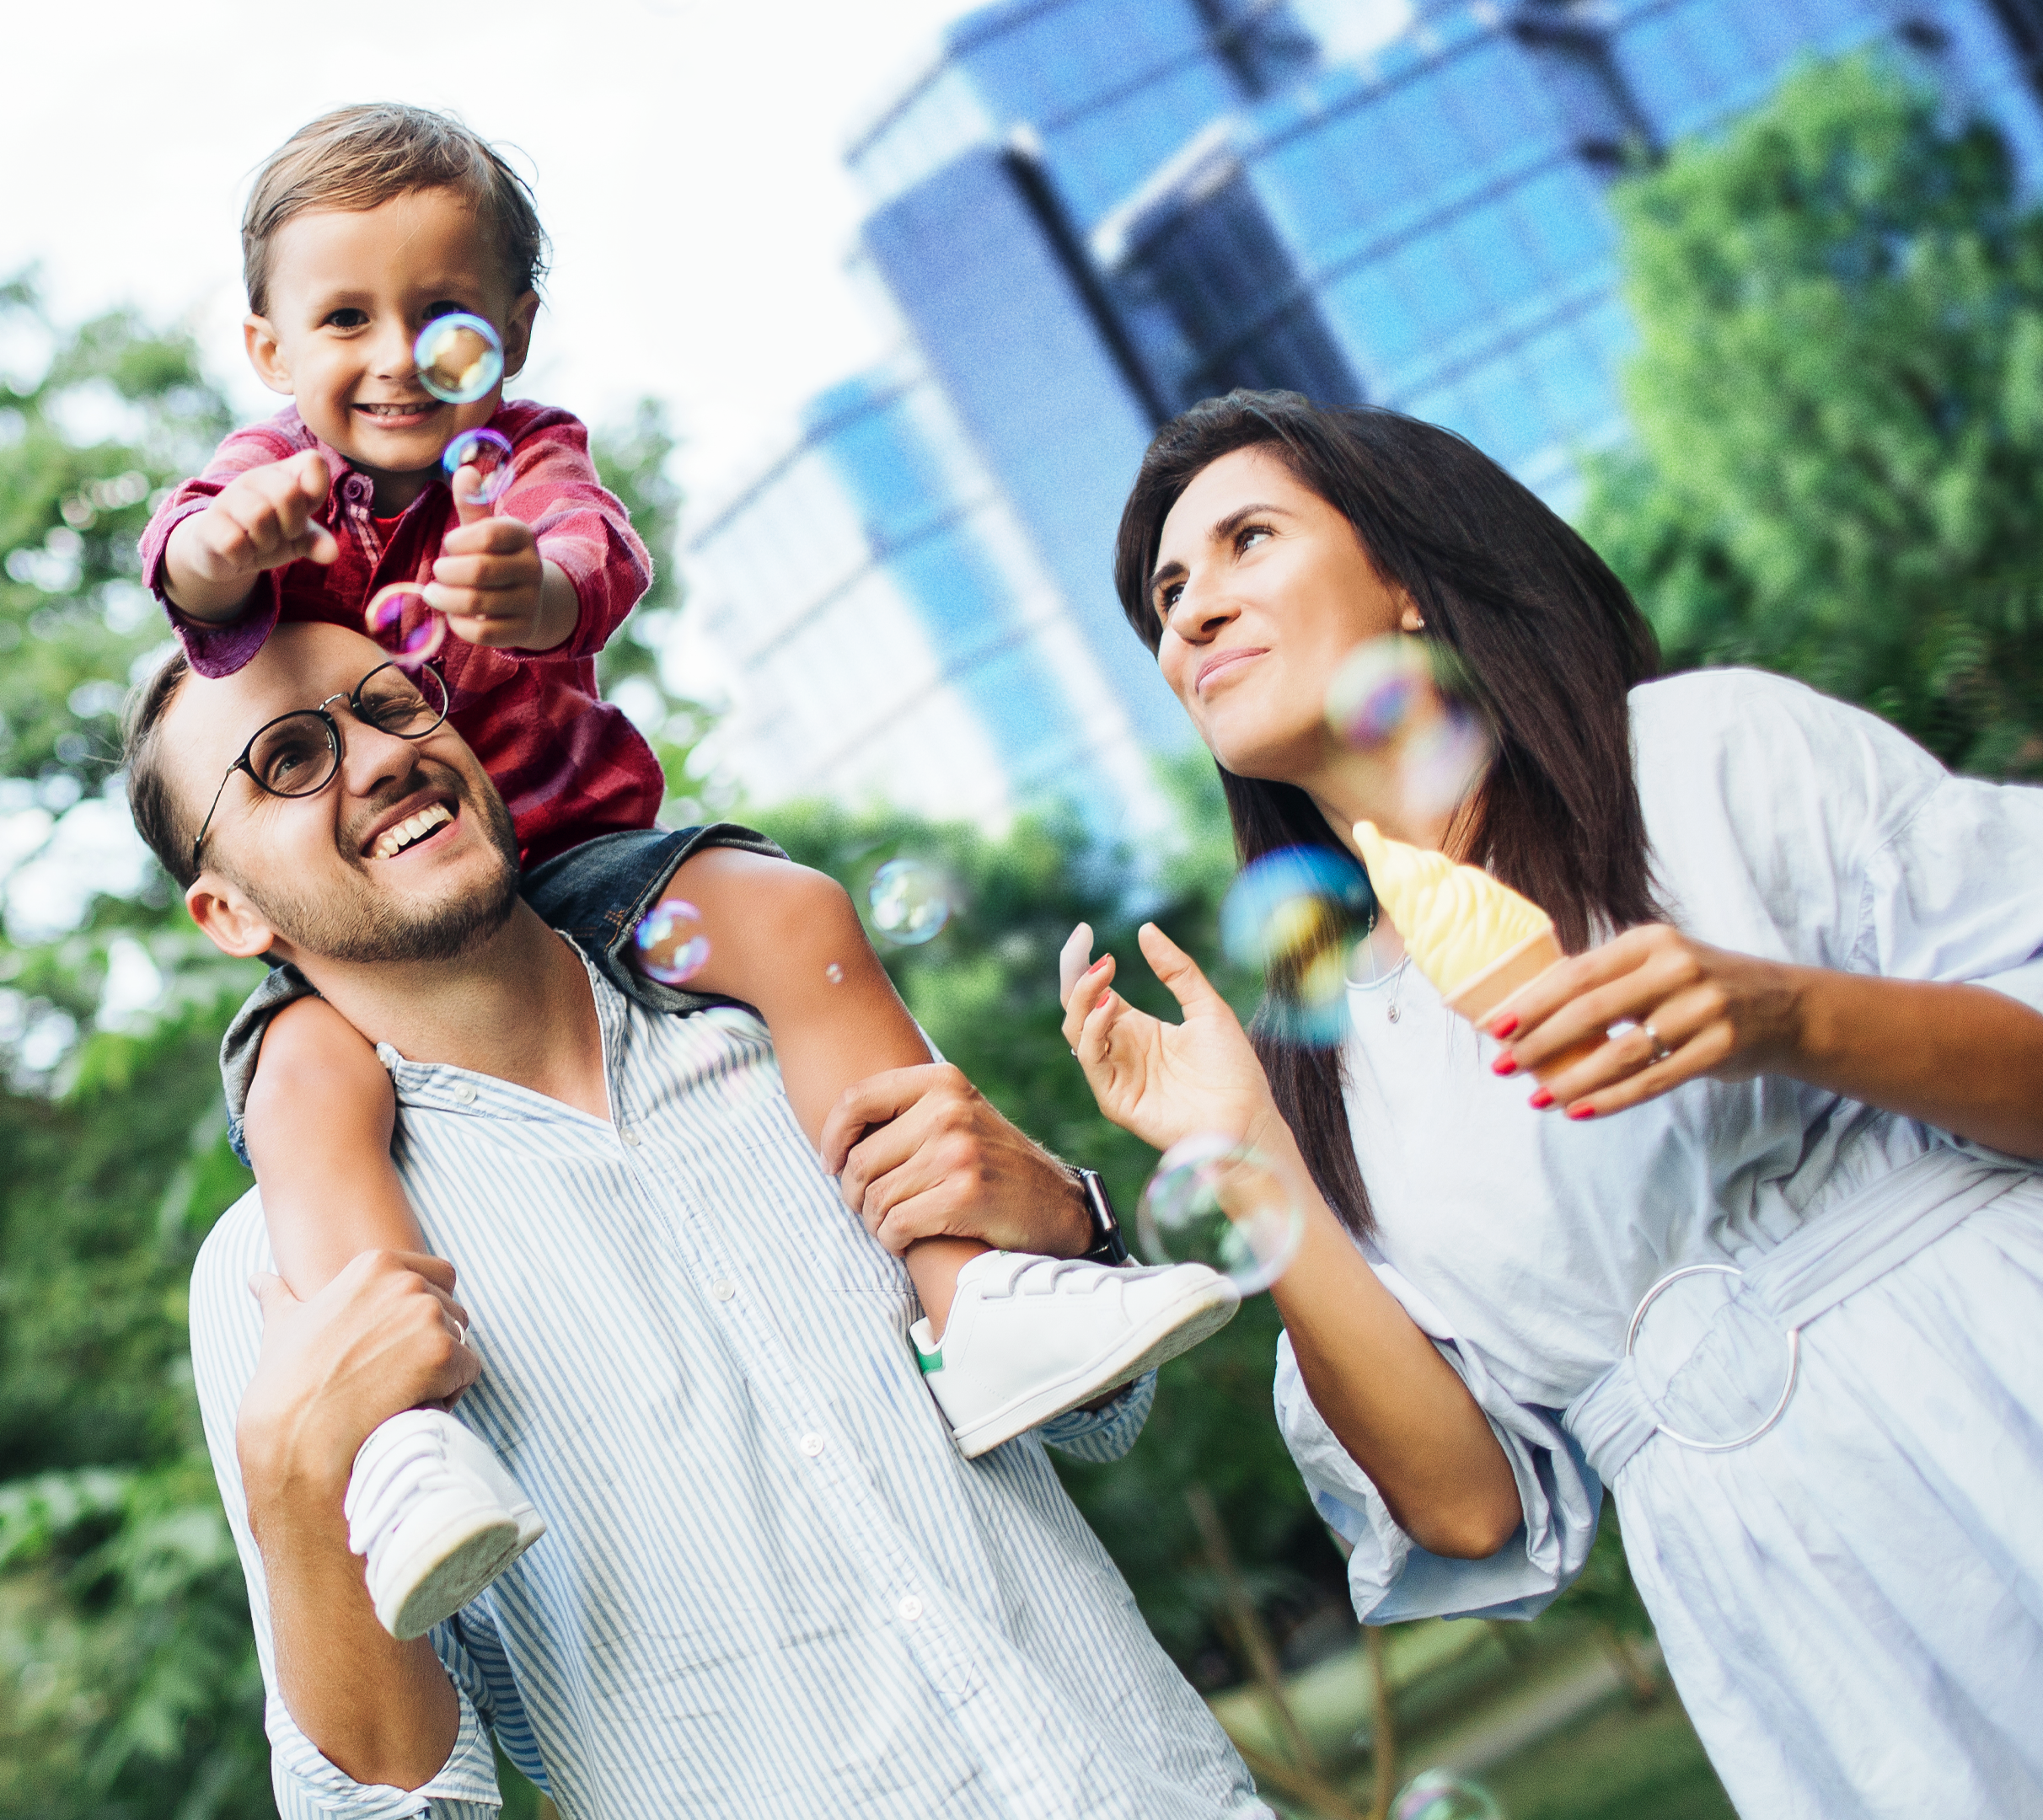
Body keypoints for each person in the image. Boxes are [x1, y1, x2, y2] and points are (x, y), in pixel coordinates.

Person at [139, 99, 1234, 1640]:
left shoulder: (519, 463)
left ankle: (971, 1295)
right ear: (267, 351)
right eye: (342, 318)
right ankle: (404, 1453)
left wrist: (532, 592)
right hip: (393, 939)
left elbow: (598, 566)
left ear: (514, 329)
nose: (393, 356)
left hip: (585, 862)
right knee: (305, 1083)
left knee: (788, 906)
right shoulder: (259, 484)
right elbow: (183, 568)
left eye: (441, 316)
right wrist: (222, 549)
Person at [1062, 390, 2043, 1817]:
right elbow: (1468, 1506)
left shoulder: (1698, 758)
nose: (1190, 615)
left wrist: (1786, 1015)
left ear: (1403, 577)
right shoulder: (1324, 1068)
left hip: (1997, 1379)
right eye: (1166, 593)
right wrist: (1245, 1152)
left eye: (1244, 542)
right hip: (1785, 1615)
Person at [124, 617, 1267, 1817]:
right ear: (230, 916)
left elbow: (1100, 1418)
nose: (378, 755)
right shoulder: (282, 1272)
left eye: (392, 703)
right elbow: (393, 1813)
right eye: (289, 759)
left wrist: (1064, 1224)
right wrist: (295, 1496)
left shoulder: (794, 1037)